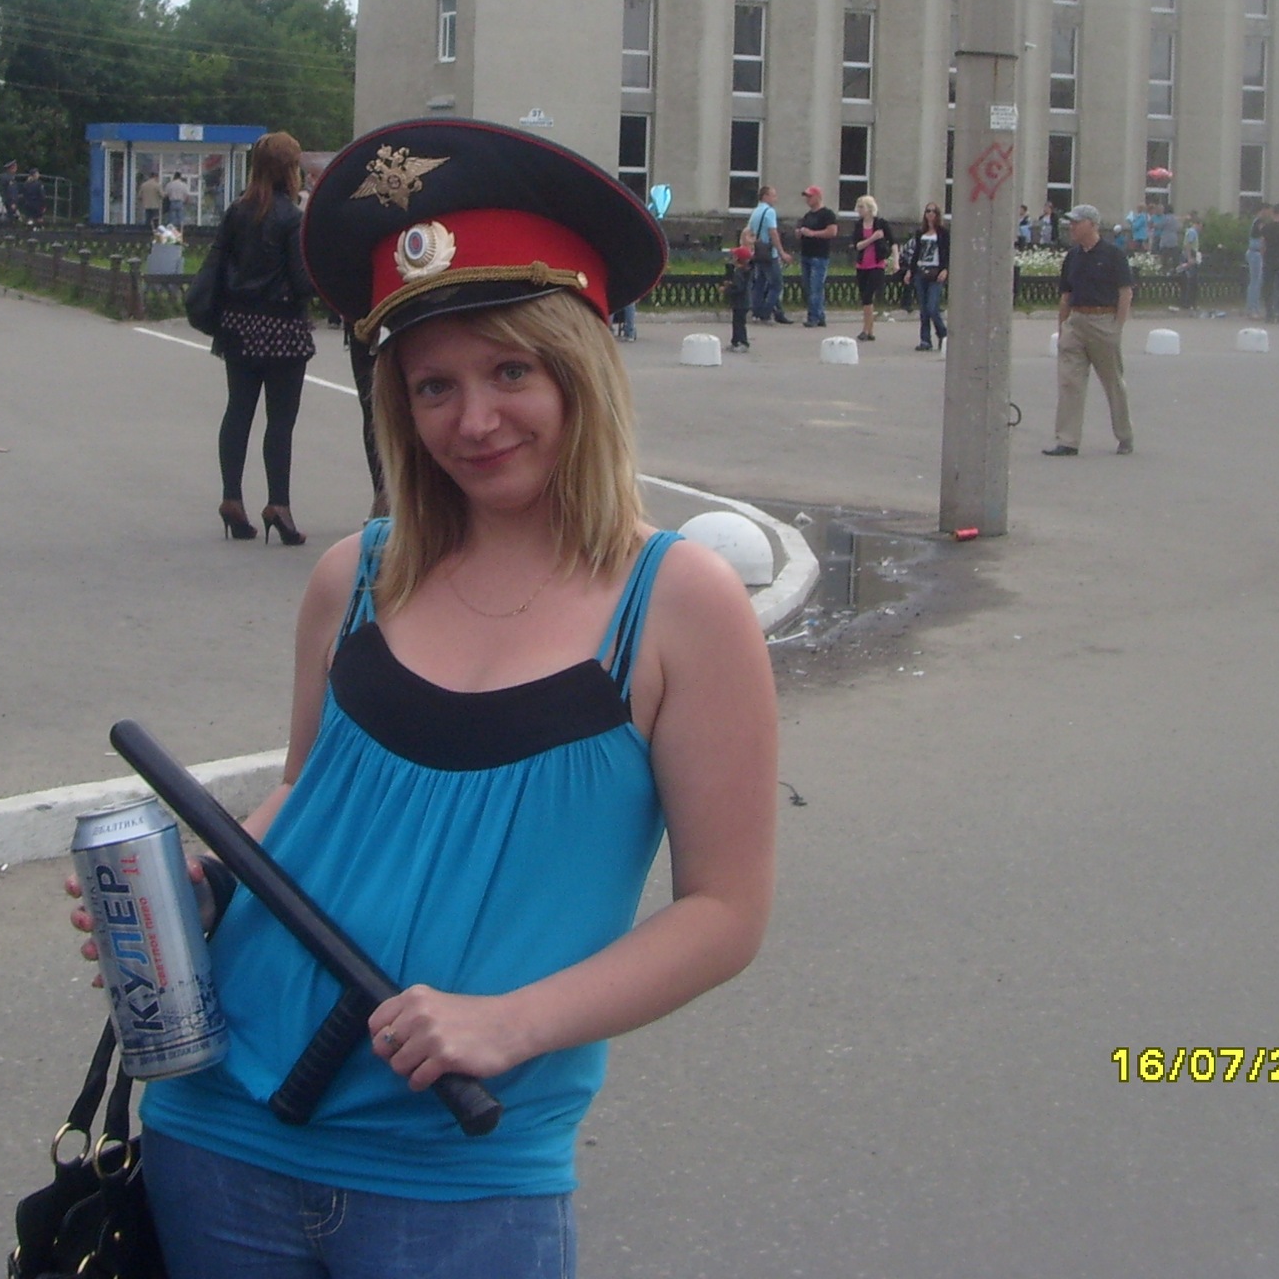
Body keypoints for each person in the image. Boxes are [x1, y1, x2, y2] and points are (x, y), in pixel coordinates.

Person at [76, 117, 774, 1279]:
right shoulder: (355, 578)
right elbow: (306, 798)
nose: (472, 420)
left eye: (511, 371)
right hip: (216, 1129)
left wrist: (509, 1023)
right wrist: (207, 885)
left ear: (580, 369)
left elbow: (725, 915)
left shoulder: (678, 605)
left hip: (457, 1173)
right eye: (432, 385)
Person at [209, 130, 315, 545]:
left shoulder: (237, 212)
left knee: (238, 410)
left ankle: (231, 498)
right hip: (282, 328)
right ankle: (278, 505)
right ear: (289, 169)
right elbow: (302, 282)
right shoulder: (292, 217)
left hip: (238, 325)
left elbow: (220, 264)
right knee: (280, 421)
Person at [1044, 203, 1134, 456]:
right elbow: (1066, 295)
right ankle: (1067, 440)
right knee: (1069, 382)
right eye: (1071, 222)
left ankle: (1125, 435)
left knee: (1113, 383)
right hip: (1076, 321)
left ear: (1092, 225)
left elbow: (1125, 292)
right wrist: (1062, 327)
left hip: (1102, 320)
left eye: (1077, 222)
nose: (1071, 226)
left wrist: (1116, 327)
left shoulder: (1113, 255)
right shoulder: (1073, 256)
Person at [849, 194, 896, 341]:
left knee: (868, 296)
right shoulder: (858, 225)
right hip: (862, 265)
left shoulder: (881, 223)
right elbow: (857, 245)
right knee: (865, 297)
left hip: (877, 265)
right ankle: (870, 331)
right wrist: (872, 238)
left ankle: (865, 329)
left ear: (869, 208)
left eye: (861, 207)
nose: (859, 210)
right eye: (858, 207)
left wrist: (896, 261)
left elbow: (893, 242)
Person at [905, 201, 950, 351]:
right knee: (923, 310)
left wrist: (945, 269)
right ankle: (925, 340)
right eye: (928, 211)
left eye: (933, 211)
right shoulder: (921, 233)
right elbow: (916, 253)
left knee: (932, 308)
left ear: (937, 215)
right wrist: (910, 271)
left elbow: (947, 253)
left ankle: (943, 334)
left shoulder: (943, 233)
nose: (930, 214)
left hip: (936, 272)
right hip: (921, 271)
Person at [791, 184, 837, 327]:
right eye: (807, 197)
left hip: (819, 255)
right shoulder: (808, 215)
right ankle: (820, 315)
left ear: (818, 197)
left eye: (810, 196)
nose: (807, 199)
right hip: (806, 254)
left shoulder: (827, 214)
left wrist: (813, 233)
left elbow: (832, 231)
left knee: (815, 286)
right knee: (808, 286)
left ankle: (813, 317)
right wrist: (799, 233)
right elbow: (801, 230)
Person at [742, 184, 784, 324]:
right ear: (765, 196)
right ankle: (765, 313)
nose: (776, 199)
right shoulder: (770, 212)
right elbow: (773, 232)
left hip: (758, 251)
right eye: (773, 195)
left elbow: (749, 231)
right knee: (776, 284)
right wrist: (781, 252)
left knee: (759, 283)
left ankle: (756, 312)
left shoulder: (755, 211)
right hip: (769, 253)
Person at [724, 241, 755, 350]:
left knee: (739, 323)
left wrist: (727, 289)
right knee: (736, 322)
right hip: (743, 302)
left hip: (741, 302)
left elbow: (738, 288)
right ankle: (735, 341)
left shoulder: (739, 272)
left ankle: (743, 342)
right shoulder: (745, 271)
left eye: (734, 256)